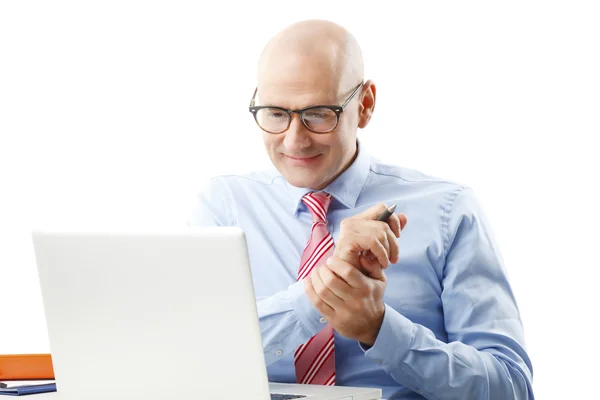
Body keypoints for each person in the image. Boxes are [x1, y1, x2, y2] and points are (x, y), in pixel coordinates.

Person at [188, 19, 534, 399]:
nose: (294, 139)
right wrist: (317, 296)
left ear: (365, 105)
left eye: (318, 113)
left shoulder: (448, 212)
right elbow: (190, 351)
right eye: (274, 113)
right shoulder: (225, 207)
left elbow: (510, 388)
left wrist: (379, 328)